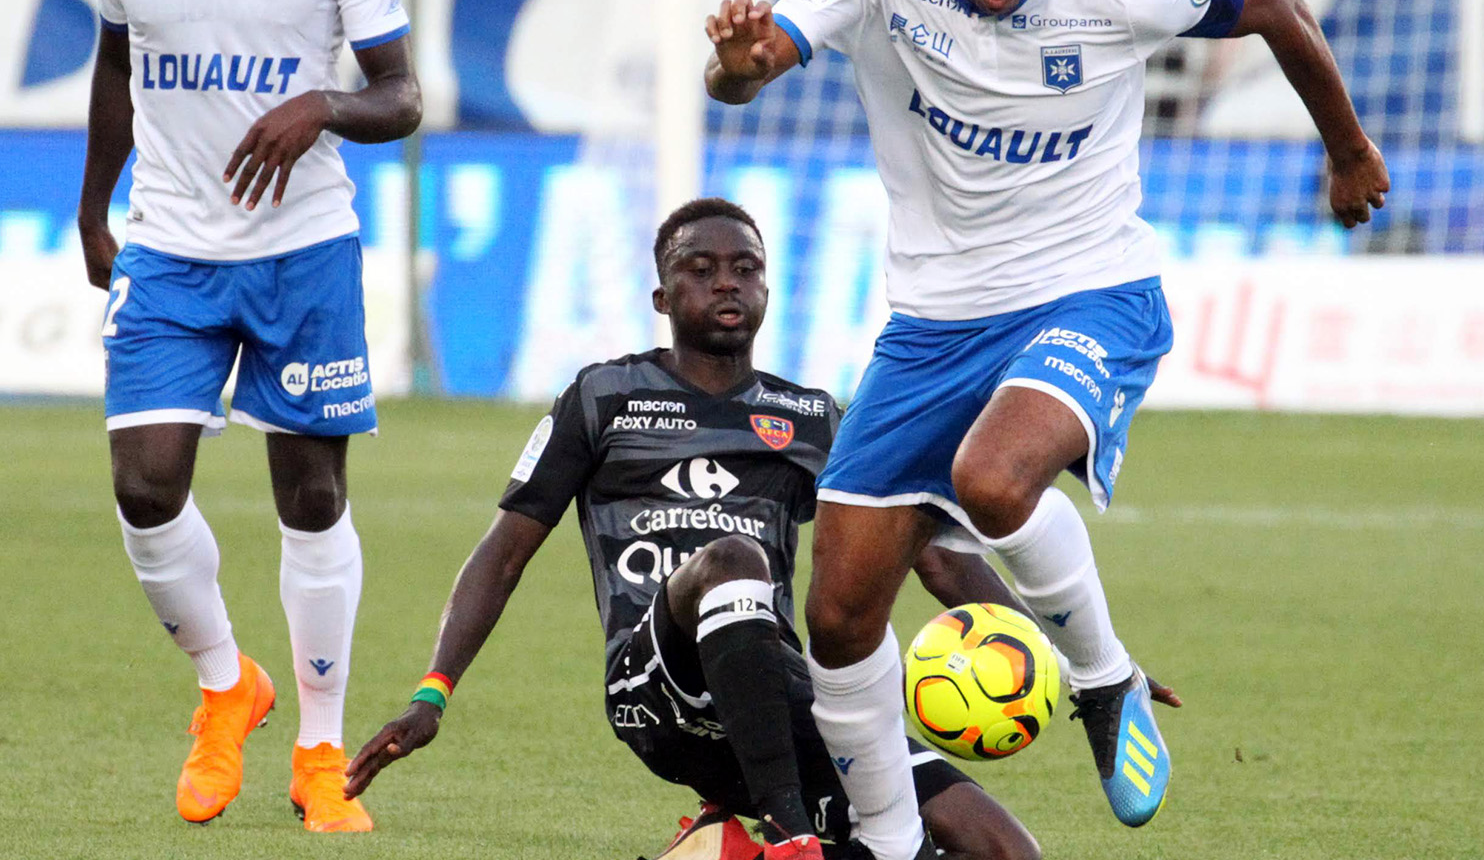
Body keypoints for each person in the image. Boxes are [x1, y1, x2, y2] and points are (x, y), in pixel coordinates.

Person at [703, 0, 1391, 860]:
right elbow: (753, 70)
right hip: (933, 324)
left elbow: (1279, 7)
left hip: (1091, 291)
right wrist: (736, 60)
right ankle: (888, 846)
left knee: (991, 482)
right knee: (841, 617)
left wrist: (1349, 150)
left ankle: (1102, 680)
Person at [342, 199, 1041, 860]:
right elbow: (502, 555)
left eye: (746, 268)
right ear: (663, 298)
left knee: (1000, 848)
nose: (727, 283)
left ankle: (731, 846)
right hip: (653, 686)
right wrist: (431, 694)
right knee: (733, 560)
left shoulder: (807, 416)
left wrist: (1064, 656)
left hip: (777, 693)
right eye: (699, 271)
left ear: (768, 288)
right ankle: (788, 831)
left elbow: (938, 558)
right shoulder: (602, 399)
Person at [78, 0, 420, 833]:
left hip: (303, 246)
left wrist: (320, 104)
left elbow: (401, 96)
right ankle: (229, 684)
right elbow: (117, 62)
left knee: (311, 499)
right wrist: (93, 207)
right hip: (172, 244)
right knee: (145, 487)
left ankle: (320, 754)